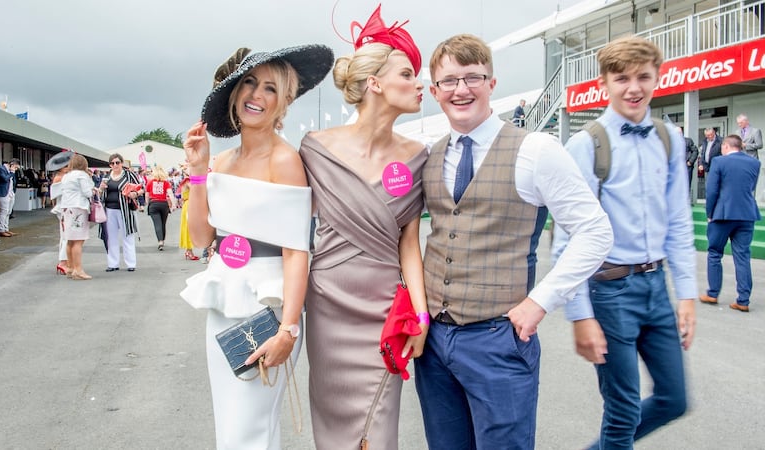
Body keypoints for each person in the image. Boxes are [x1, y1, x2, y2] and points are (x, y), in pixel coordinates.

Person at [416, 34, 612, 449]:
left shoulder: (536, 150)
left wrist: (540, 301)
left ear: (492, 83)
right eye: (449, 81)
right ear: (434, 92)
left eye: (472, 77)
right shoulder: (429, 156)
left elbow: (595, 231)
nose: (461, 89)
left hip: (497, 338)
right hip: (434, 341)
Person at [179, 43, 333, 449]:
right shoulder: (224, 162)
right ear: (234, 93)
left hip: (269, 308)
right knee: (231, 427)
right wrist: (198, 172)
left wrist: (289, 329)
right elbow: (201, 239)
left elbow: (296, 251)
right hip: (225, 302)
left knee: (252, 428)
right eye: (249, 83)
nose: (256, 95)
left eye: (270, 88)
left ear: (283, 102)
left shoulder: (284, 161)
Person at [553, 36, 697, 449]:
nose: (633, 88)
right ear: (604, 84)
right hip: (610, 291)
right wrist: (580, 315)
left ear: (658, 78)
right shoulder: (585, 145)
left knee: (674, 399)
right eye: (622, 79)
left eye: (643, 77)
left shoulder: (668, 139)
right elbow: (567, 238)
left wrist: (686, 295)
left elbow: (679, 221)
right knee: (622, 411)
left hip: (657, 286)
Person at [299, 6, 427, 449]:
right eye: (408, 74)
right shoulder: (315, 149)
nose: (420, 84)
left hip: (384, 315)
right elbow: (289, 230)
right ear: (374, 83)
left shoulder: (418, 156)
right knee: (335, 436)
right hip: (329, 310)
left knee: (378, 433)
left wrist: (422, 313)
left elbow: (410, 244)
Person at [699, 134, 761, 312]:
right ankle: (743, 300)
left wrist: (710, 213)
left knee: (714, 253)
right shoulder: (755, 163)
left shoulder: (719, 162)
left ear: (726, 146)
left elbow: (712, 190)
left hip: (723, 214)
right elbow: (751, 187)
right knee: (742, 256)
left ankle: (712, 293)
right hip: (746, 214)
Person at [98, 154, 142, 272]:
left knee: (127, 235)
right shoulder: (107, 177)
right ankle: (113, 263)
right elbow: (99, 193)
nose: (115, 165)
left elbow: (141, 188)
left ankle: (131, 263)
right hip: (109, 209)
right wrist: (101, 188)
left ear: (122, 163)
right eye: (112, 163)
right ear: (110, 165)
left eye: (117, 162)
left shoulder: (129, 175)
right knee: (111, 237)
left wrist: (135, 194)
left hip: (125, 209)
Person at [58, 154, 98, 280]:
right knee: (79, 240)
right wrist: (94, 190)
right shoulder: (82, 175)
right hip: (78, 208)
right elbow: (87, 192)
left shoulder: (67, 176)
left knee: (70, 240)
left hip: (66, 208)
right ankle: (78, 270)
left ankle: (70, 268)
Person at [144, 166, 175, 251]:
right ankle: (163, 240)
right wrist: (173, 204)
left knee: (157, 223)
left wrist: (147, 203)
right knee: (163, 223)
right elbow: (170, 194)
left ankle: (160, 241)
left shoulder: (150, 182)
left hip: (153, 204)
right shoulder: (166, 183)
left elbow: (146, 195)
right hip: (164, 204)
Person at [0, 158, 20, 237]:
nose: (16, 169)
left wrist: (13, 191)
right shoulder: (1, 169)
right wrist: (12, 172)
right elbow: (5, 179)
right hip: (3, 192)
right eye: (15, 167)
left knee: (9, 212)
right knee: (4, 211)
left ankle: (6, 229)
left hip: (10, 193)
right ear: (12, 164)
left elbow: (14, 181)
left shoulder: (12, 171)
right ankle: (1, 230)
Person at [679, 126, 699, 195]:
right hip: (676, 167)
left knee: (687, 184)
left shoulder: (688, 141)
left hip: (686, 166)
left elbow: (695, 151)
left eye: (679, 132)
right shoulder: (672, 142)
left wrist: (690, 161)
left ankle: (686, 202)